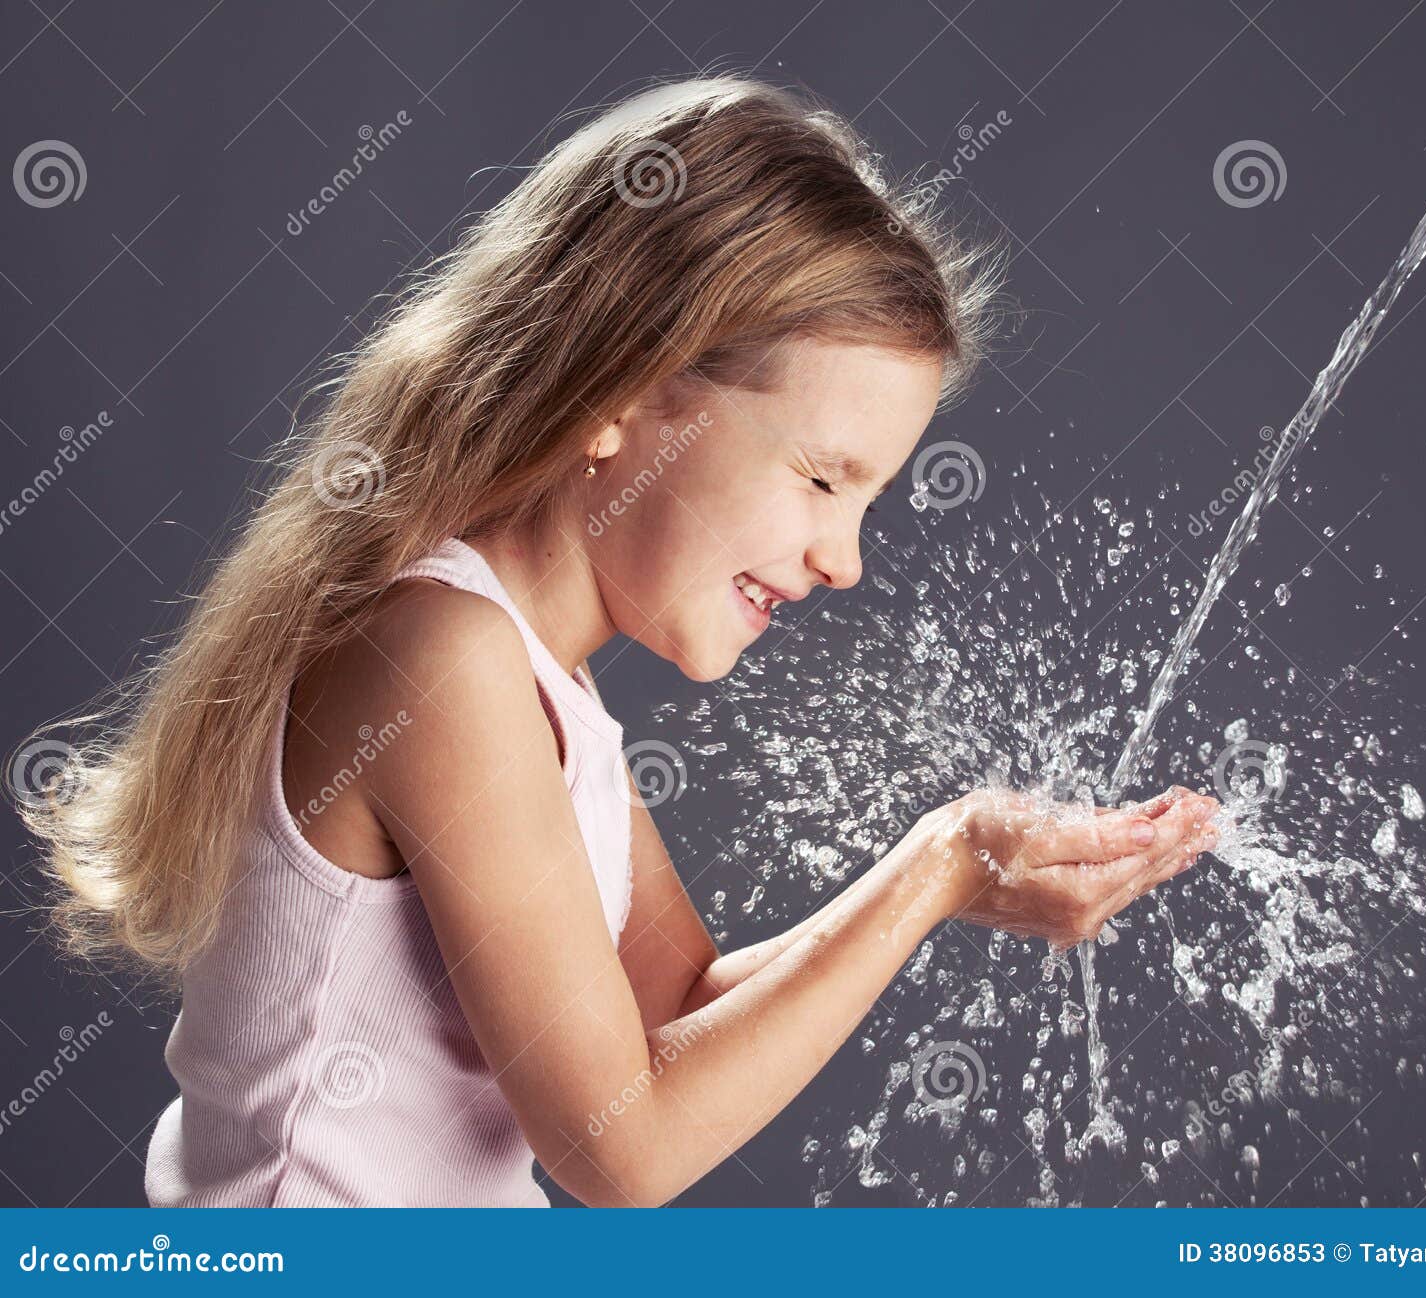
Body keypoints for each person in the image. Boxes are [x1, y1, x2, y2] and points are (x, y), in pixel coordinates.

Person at [19, 76, 1219, 1208]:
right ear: (624, 394)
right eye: (818, 476)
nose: (845, 557)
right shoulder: (437, 656)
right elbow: (621, 1148)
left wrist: (952, 881)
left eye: (870, 500)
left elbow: (673, 1013)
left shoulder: (543, 681)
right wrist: (937, 863)